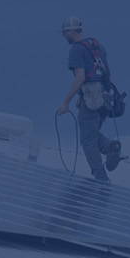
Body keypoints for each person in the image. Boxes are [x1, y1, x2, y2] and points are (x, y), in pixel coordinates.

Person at [53, 17, 122, 181]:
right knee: (91, 134)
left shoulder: (77, 49)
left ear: (70, 32)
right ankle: (110, 146)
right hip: (105, 98)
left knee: (87, 140)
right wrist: (80, 97)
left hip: (92, 99)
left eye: (64, 34)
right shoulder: (97, 45)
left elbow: (81, 77)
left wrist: (65, 102)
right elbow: (99, 74)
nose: (64, 37)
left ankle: (101, 177)